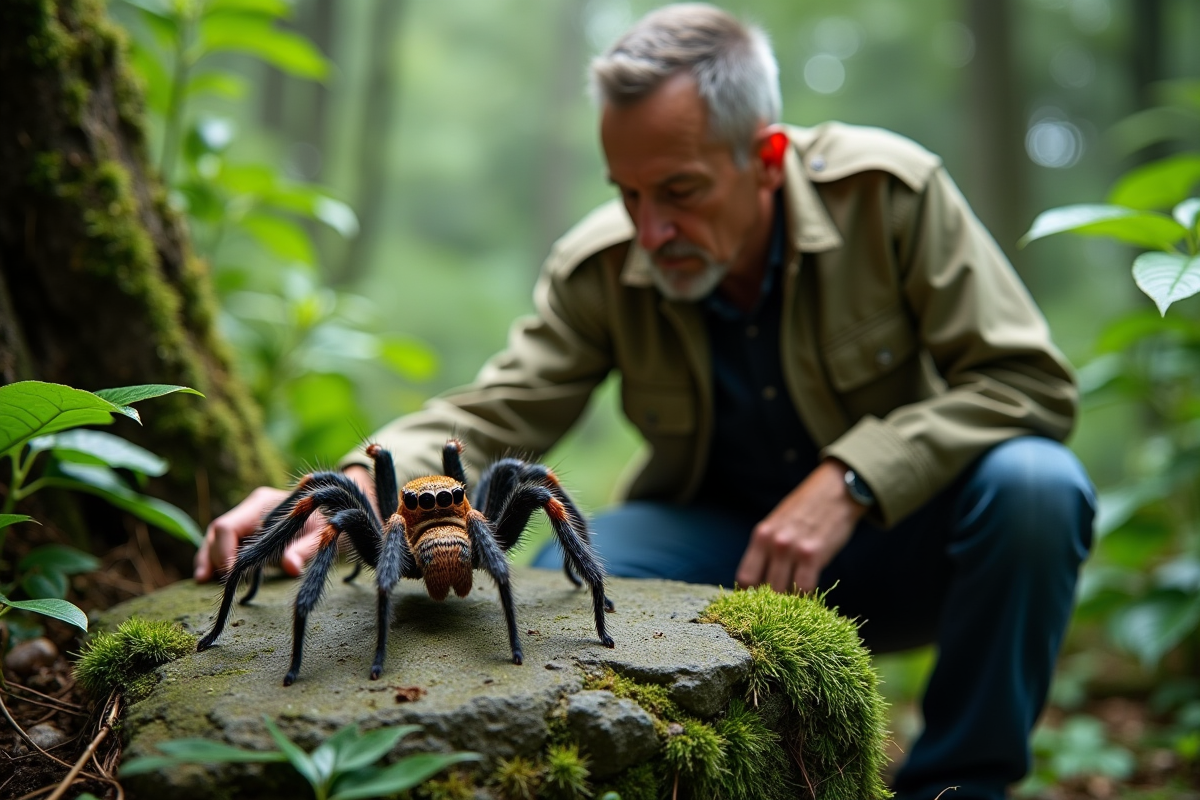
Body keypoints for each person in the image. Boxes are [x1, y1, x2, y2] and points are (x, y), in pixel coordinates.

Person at [194, 5, 1094, 798]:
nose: (651, 230)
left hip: (911, 547)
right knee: (574, 566)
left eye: (681, 192)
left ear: (768, 158)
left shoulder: (891, 198)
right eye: (627, 193)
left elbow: (1029, 383)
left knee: (1037, 487)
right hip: (719, 549)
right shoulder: (603, 264)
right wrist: (341, 483)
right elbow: (498, 413)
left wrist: (853, 479)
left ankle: (959, 787)